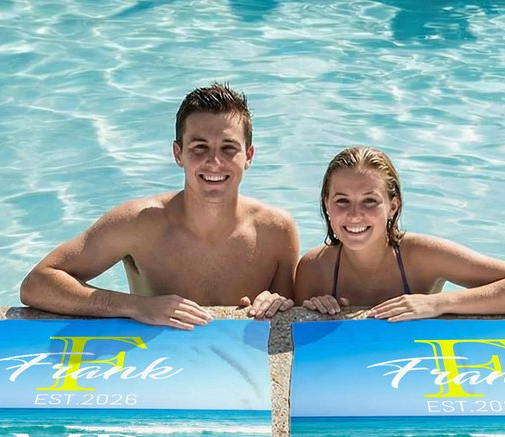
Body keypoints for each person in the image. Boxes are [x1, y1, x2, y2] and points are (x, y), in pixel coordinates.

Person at [20, 83, 299, 328]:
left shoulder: (275, 231)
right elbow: (38, 284)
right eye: (199, 147)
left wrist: (275, 303)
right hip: (155, 365)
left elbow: (288, 317)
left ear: (248, 156)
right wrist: (136, 307)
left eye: (228, 148)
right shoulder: (138, 223)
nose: (214, 162)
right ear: (178, 154)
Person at [295, 147, 505, 320]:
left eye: (370, 201)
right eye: (342, 201)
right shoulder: (314, 268)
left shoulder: (422, 256)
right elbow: (298, 330)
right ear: (326, 204)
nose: (354, 214)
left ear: (393, 206)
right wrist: (316, 308)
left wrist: (438, 303)